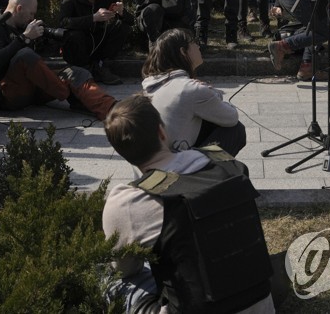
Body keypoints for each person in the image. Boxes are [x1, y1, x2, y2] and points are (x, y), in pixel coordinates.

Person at [102, 94, 274, 314]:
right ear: (161, 131)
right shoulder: (227, 162)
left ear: (121, 152)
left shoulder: (128, 201)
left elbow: (124, 269)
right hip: (260, 302)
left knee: (112, 278)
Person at [0, 0, 116, 119]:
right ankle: (64, 91)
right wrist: (24, 38)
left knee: (76, 73)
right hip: (8, 93)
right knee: (25, 55)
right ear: (19, 8)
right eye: (31, 14)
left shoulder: (23, 25)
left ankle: (112, 109)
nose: (32, 18)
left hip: (33, 88)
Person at [141, 29, 245, 156]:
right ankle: (209, 173)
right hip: (174, 166)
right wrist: (211, 92)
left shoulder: (154, 83)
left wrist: (208, 93)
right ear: (183, 52)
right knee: (236, 131)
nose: (198, 46)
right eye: (194, 42)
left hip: (154, 162)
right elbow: (231, 117)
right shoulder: (190, 88)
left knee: (210, 119)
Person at [57, 0, 129, 85]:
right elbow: (63, 22)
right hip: (78, 44)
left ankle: (101, 65)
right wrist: (93, 18)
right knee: (74, 35)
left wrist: (122, 12)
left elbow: (131, 21)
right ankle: (84, 69)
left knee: (121, 26)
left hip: (98, 40)